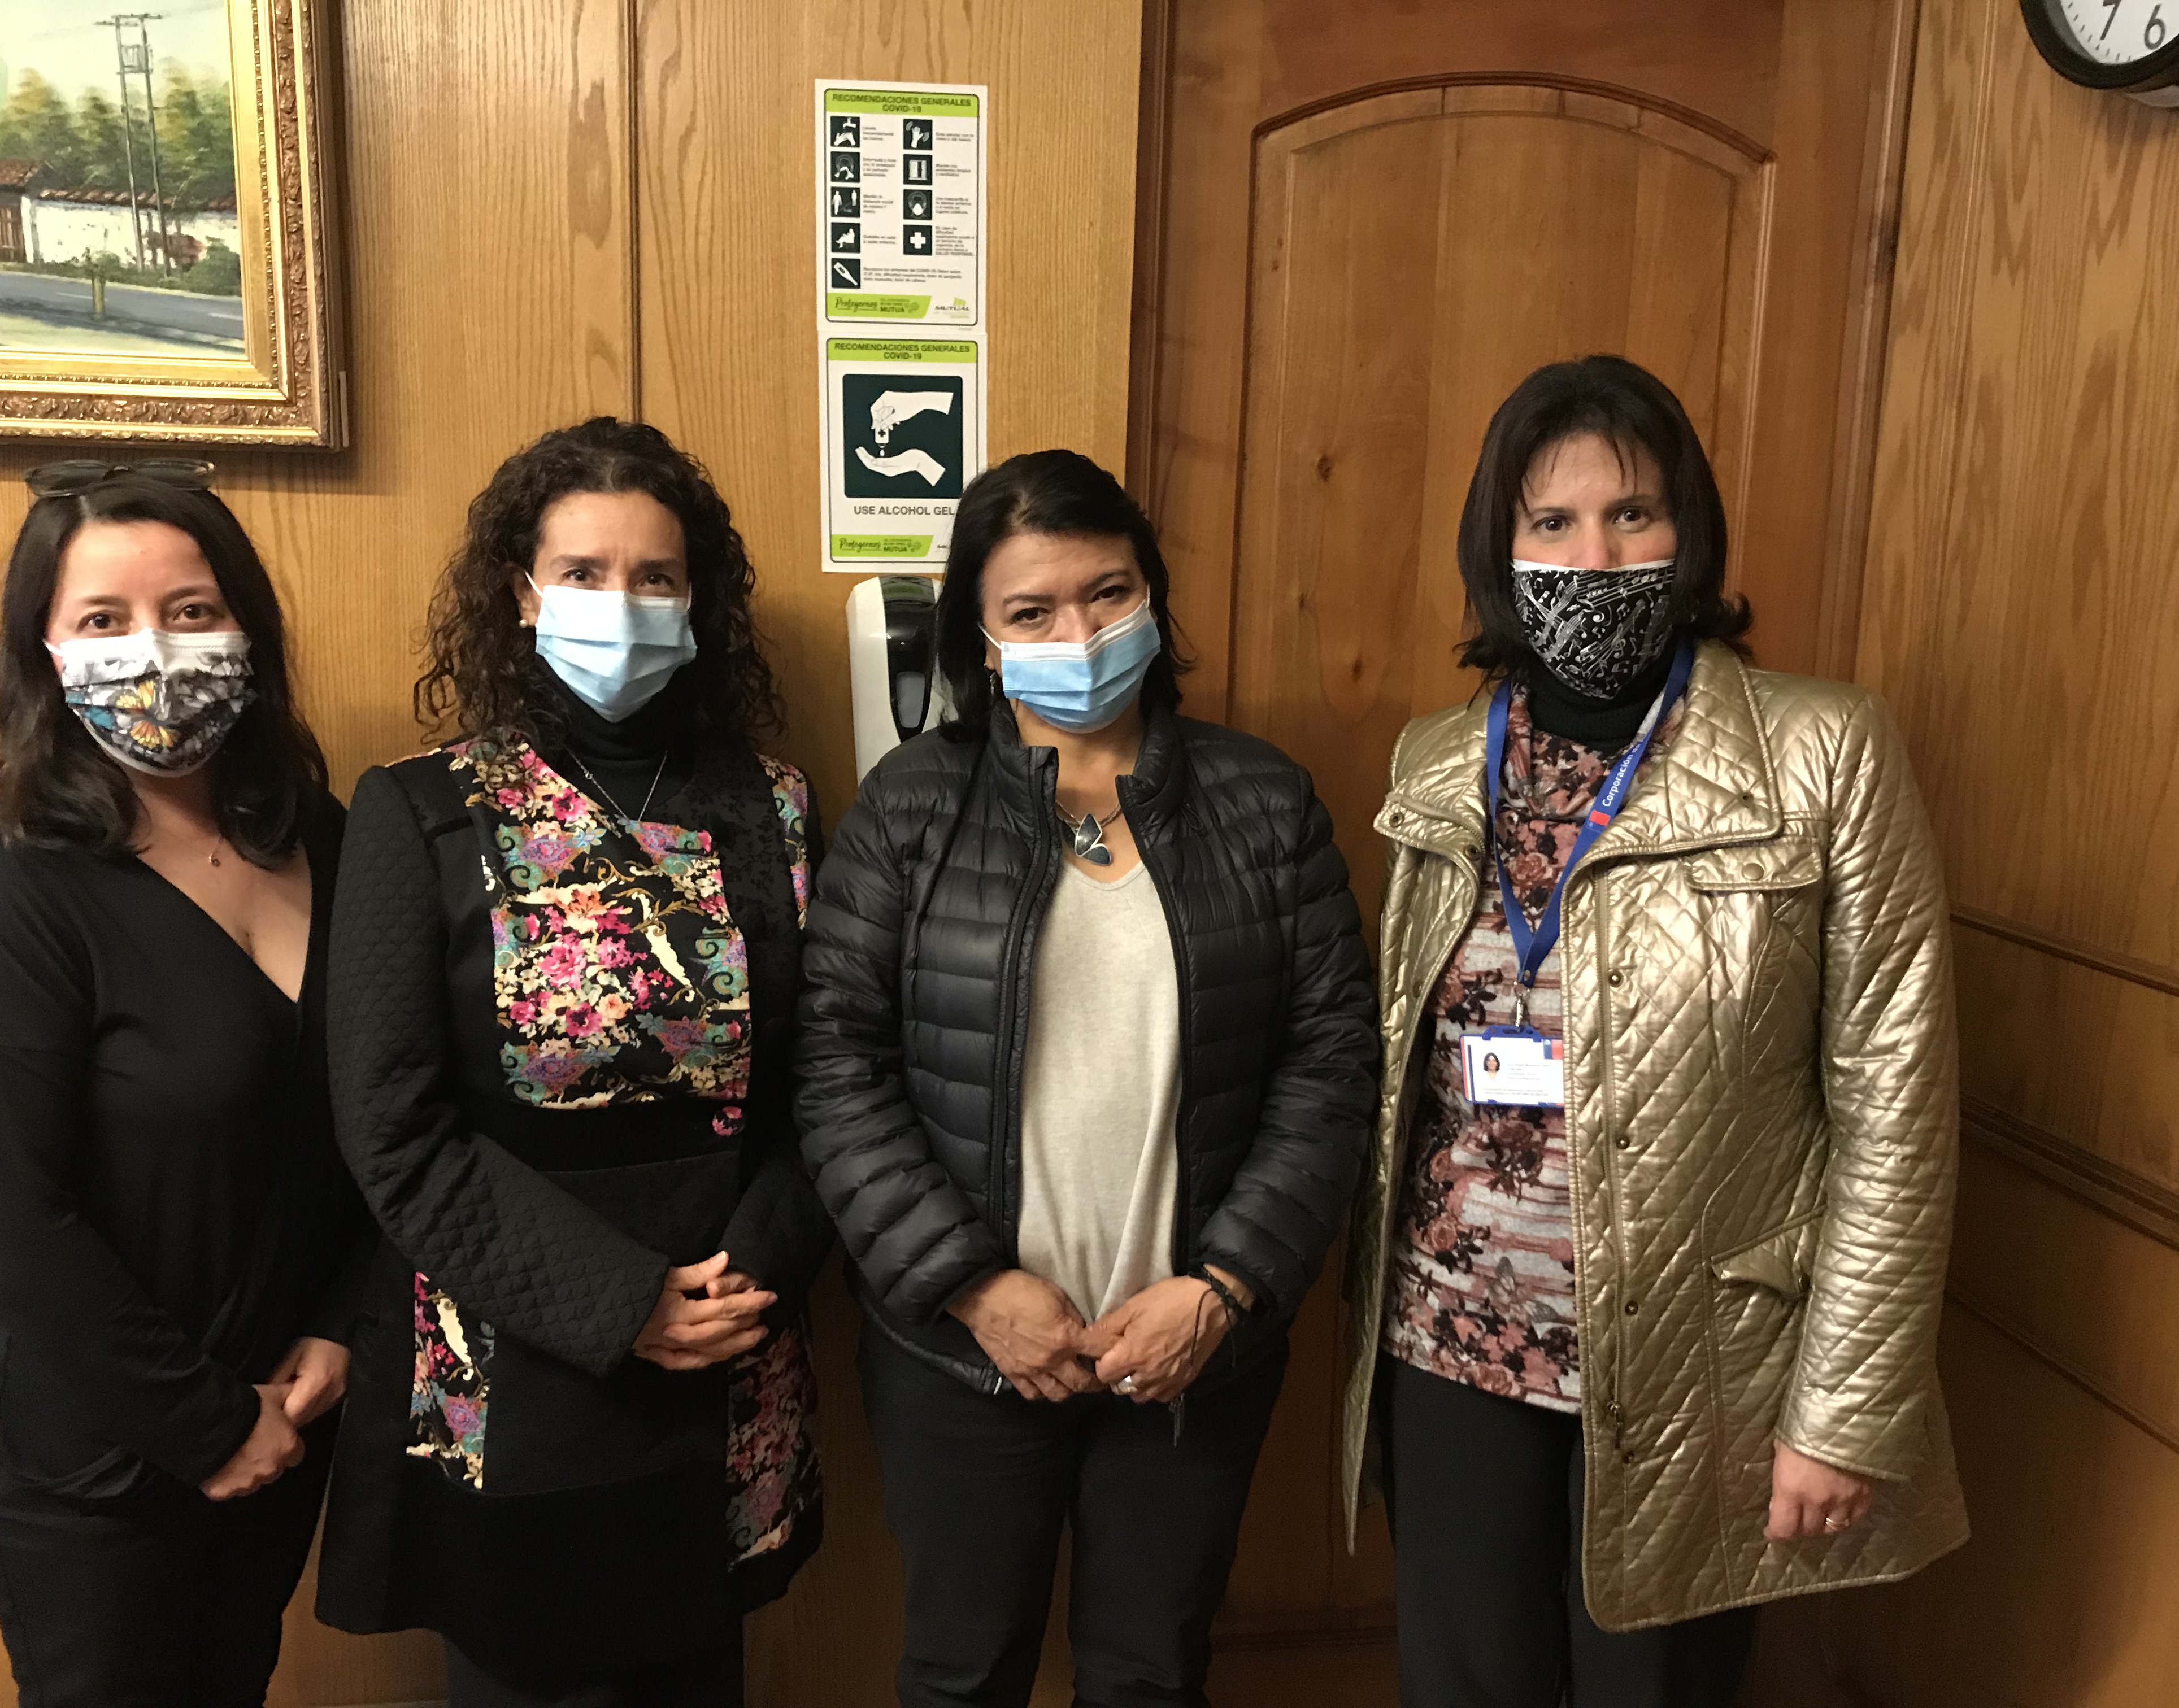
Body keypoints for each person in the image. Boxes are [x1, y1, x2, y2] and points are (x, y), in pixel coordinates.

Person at [1341, 355, 1969, 1707]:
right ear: (1500, 550)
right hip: (1451, 1340)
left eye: (1633, 514)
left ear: (1691, 532)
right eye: (1552, 522)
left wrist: (1843, 1409)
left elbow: (1896, 1109)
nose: (1594, 556)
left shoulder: (1824, 753)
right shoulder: (1436, 761)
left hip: (1701, 1365)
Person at [797, 449, 1380, 1708]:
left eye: (1108, 594)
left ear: (1152, 596)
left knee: (1151, 1675)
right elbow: (837, 1065)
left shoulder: (1265, 801)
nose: (1079, 634)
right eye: (1032, 611)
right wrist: (969, 1286)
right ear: (983, 641)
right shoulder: (910, 807)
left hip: (1191, 1354)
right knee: (960, 1673)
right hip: (964, 1356)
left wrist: (1224, 1290)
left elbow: (1332, 1065)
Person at [316, 417, 834, 1708]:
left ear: (698, 602)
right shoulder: (422, 810)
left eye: (656, 577)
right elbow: (393, 1131)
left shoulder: (772, 806)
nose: (622, 603)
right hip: (519, 1364)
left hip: (729, 1347)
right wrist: (622, 1305)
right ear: (522, 592)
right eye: (585, 573)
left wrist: (750, 1277)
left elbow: (828, 1083)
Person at [0, 460, 366, 1707]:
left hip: (287, 1413)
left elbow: (379, 1117)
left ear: (248, 630)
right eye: (104, 619)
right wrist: (205, 1425)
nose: (154, 649)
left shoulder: (325, 839)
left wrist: (343, 1327)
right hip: (90, 1457)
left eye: (192, 610)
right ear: (45, 652)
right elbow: (0, 1210)